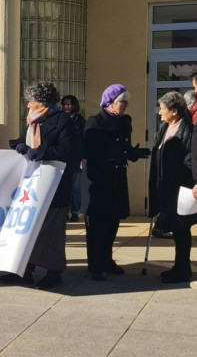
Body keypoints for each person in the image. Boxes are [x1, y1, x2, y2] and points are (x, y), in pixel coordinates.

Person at [0, 83, 78, 289]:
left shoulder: (63, 121)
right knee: (30, 228)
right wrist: (18, 144)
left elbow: (69, 151)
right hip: (32, 184)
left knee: (52, 230)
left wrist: (41, 152)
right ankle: (25, 270)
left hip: (55, 185)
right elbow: (28, 143)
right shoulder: (34, 121)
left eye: (31, 102)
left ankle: (54, 272)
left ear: (42, 103)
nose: (28, 105)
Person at [84, 84, 150, 281]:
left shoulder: (124, 122)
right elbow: (89, 151)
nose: (125, 106)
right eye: (122, 102)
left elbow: (125, 148)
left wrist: (135, 153)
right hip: (99, 179)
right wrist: (114, 153)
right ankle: (95, 265)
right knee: (97, 223)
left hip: (117, 177)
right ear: (110, 104)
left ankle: (107, 260)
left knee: (113, 221)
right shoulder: (94, 122)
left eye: (126, 102)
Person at [149, 92, 196, 283]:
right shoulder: (164, 128)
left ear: (174, 111)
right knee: (175, 228)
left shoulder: (188, 131)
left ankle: (183, 268)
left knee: (181, 228)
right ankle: (178, 266)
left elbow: (190, 159)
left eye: (162, 109)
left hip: (180, 187)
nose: (160, 113)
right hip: (164, 186)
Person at [62, 94, 86, 222]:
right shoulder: (59, 118)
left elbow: (85, 140)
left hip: (76, 158)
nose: (67, 106)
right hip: (62, 158)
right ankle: (64, 211)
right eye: (65, 104)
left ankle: (75, 211)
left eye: (69, 104)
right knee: (64, 187)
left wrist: (84, 157)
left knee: (76, 187)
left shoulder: (80, 121)